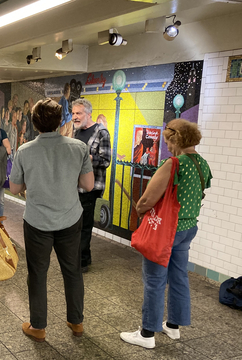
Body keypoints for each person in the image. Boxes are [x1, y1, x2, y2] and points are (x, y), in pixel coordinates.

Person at [120, 119, 212, 349]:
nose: (167, 146)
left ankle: (147, 333)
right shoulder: (202, 164)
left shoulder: (174, 164)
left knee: (154, 280)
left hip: (167, 231)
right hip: (188, 228)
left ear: (176, 139)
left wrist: (140, 209)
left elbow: (147, 199)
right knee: (179, 276)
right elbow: (199, 193)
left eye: (168, 141)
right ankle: (173, 326)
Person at [9, 99, 94, 342]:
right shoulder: (78, 148)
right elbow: (88, 185)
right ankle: (76, 322)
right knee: (73, 270)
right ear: (60, 121)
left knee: (38, 273)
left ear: (34, 123)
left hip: (37, 222)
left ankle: (38, 326)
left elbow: (14, 188)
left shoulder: (25, 150)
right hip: (70, 218)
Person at [72, 99, 111, 272]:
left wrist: (89, 158)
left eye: (78, 113)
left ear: (88, 114)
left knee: (84, 224)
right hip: (75, 186)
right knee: (75, 223)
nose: (75, 117)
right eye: (73, 113)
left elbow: (106, 161)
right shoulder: (76, 132)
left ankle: (83, 262)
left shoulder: (101, 132)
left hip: (90, 187)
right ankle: (78, 257)